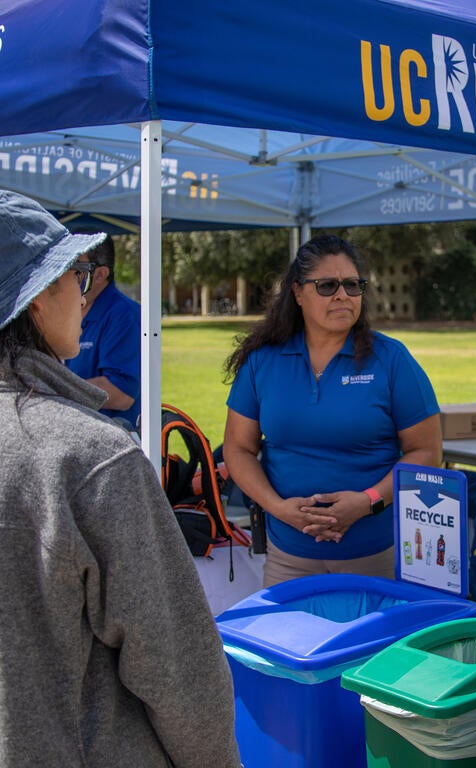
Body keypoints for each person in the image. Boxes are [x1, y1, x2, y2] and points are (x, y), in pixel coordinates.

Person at [0, 190, 240, 767]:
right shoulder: (91, 457)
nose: (84, 296)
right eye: (75, 276)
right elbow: (178, 671)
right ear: (37, 298)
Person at [223, 234, 442, 586]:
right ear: (297, 293)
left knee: (374, 644)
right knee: (288, 642)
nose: (343, 295)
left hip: (377, 557)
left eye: (353, 286)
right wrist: (278, 508)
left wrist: (367, 502)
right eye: (327, 285)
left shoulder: (392, 359)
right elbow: (238, 448)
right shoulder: (262, 361)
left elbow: (427, 450)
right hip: (288, 557)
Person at [66, 232, 141, 427]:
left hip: (114, 443)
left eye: (75, 270)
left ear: (100, 274)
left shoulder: (125, 315)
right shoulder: (70, 312)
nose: (66, 278)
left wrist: (55, 389)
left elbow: (121, 393)